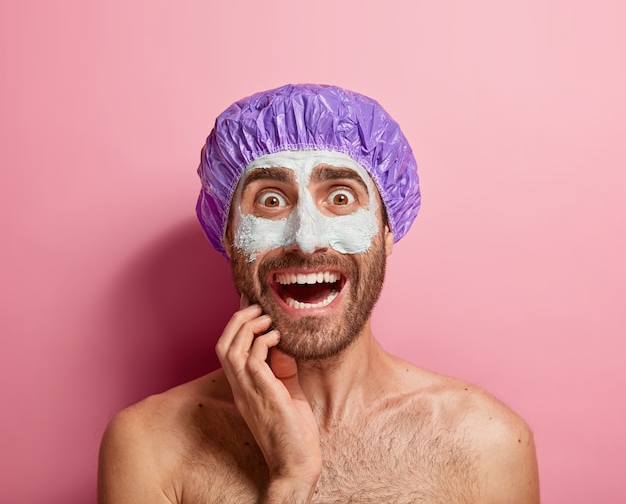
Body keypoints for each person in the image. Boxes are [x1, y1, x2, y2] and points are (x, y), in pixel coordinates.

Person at [98, 83, 540, 503]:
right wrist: (291, 482)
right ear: (229, 234)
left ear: (387, 232)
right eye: (270, 200)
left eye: (342, 198)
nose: (306, 240)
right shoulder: (149, 448)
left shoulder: (488, 444)